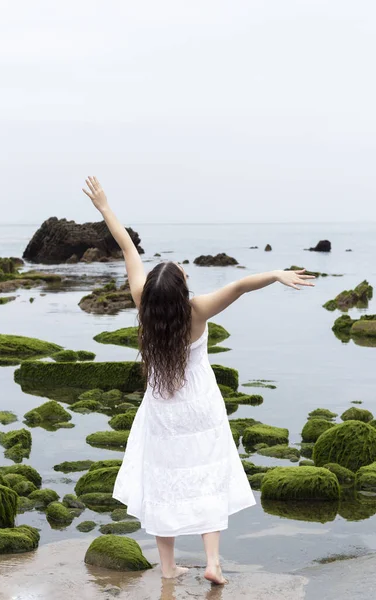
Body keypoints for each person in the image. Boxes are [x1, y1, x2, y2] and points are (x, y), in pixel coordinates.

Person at [82, 176, 315, 585]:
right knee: (208, 473)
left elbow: (127, 247)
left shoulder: (144, 305)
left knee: (162, 479)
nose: (185, 271)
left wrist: (104, 207)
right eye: (182, 272)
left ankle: (169, 567)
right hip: (200, 404)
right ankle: (212, 562)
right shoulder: (196, 310)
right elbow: (241, 285)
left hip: (162, 408)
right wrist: (277, 273)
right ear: (180, 290)